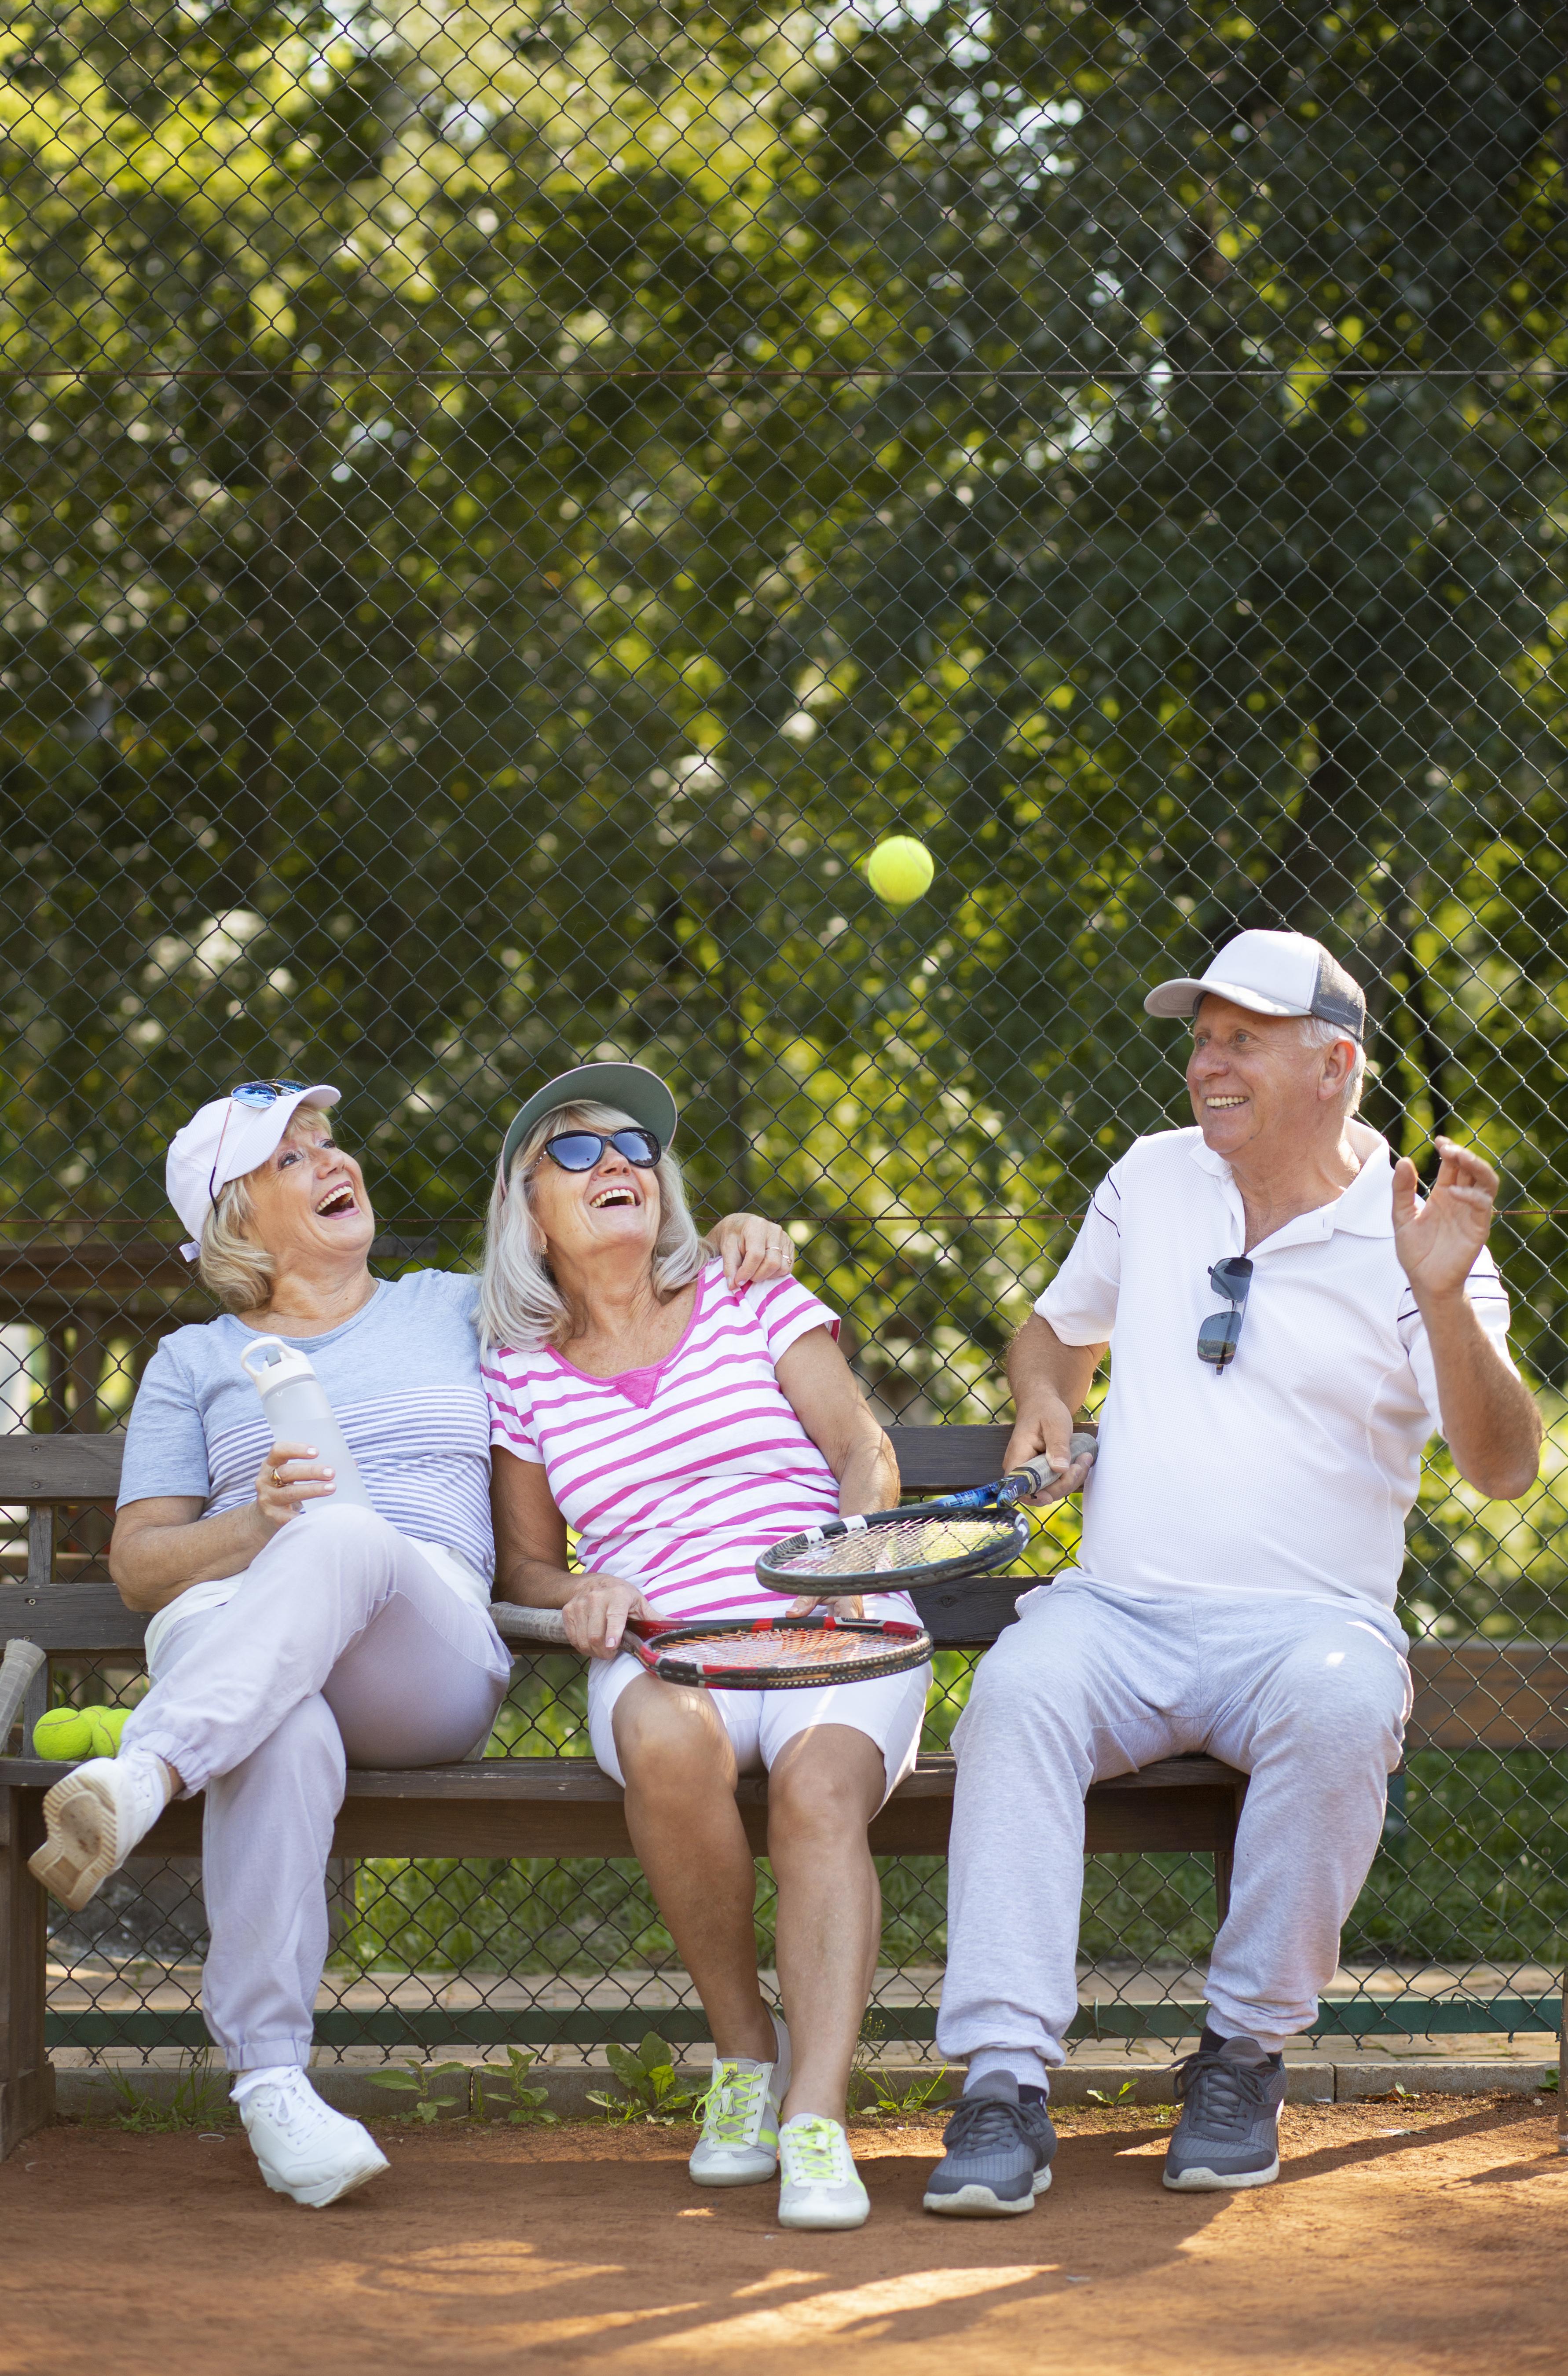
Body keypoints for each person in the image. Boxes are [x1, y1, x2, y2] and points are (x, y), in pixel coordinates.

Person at [29, 1075, 791, 2210]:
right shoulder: (196, 1362)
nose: (336, 1164)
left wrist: (730, 1234)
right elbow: (142, 1567)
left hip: (418, 1655)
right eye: (292, 1159)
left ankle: (148, 1769)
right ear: (234, 1219)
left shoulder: (456, 1305)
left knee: (346, 1537)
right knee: (281, 1732)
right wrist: (255, 1524)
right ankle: (272, 2086)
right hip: (240, 1639)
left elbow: (606, 1261)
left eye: (329, 1143)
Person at [923, 929, 1542, 2213]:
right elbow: (1053, 1327)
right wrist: (1043, 1398)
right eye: (1201, 1038)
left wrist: (1438, 1297)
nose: (1207, 1063)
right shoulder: (1152, 1179)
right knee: (1017, 1699)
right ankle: (999, 2085)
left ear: (1333, 1066)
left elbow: (1502, 1469)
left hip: (1305, 1629)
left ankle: (1241, 2055)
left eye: (1240, 1040)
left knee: (1337, 1704)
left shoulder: (1416, 1232)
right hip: (1118, 1613)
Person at [480, 1062, 930, 2233]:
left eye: (632, 1145)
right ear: (530, 1213)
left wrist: (851, 1562)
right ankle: (746, 2058)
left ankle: (817, 2118)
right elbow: (524, 1563)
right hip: (666, 1639)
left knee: (817, 1790)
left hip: (830, 1612)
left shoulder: (752, 1294)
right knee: (659, 1741)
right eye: (573, 1152)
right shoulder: (519, 1374)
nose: (616, 1164)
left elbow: (861, 1455)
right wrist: (576, 1589)